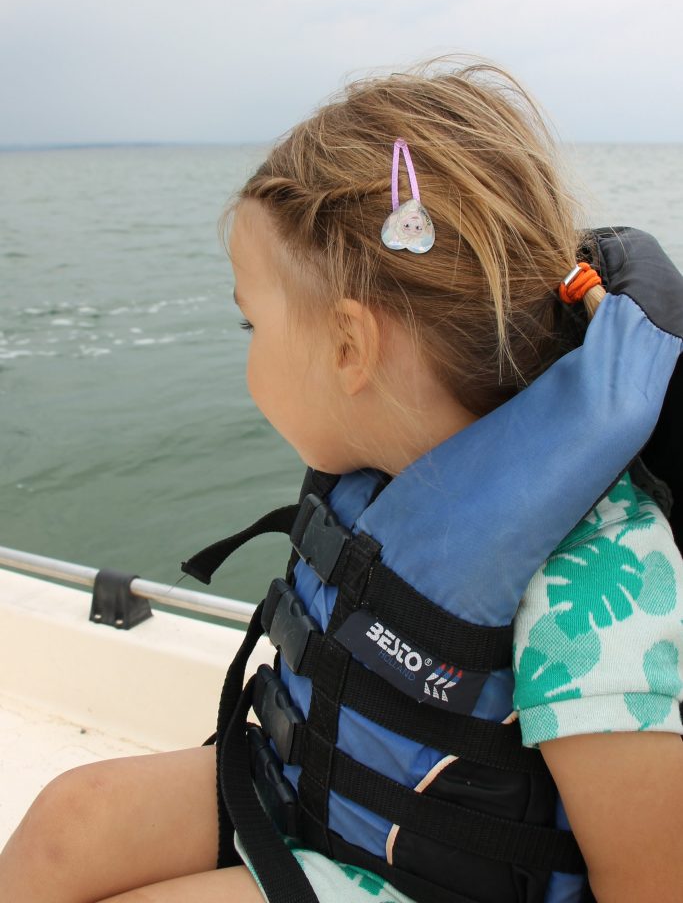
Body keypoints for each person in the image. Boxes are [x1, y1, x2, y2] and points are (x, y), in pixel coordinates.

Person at [1, 61, 682, 903]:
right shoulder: (382, 480)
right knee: (75, 817)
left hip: (442, 883)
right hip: (315, 796)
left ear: (350, 349)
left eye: (252, 321)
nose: (245, 345)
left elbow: (651, 881)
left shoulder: (599, 586)